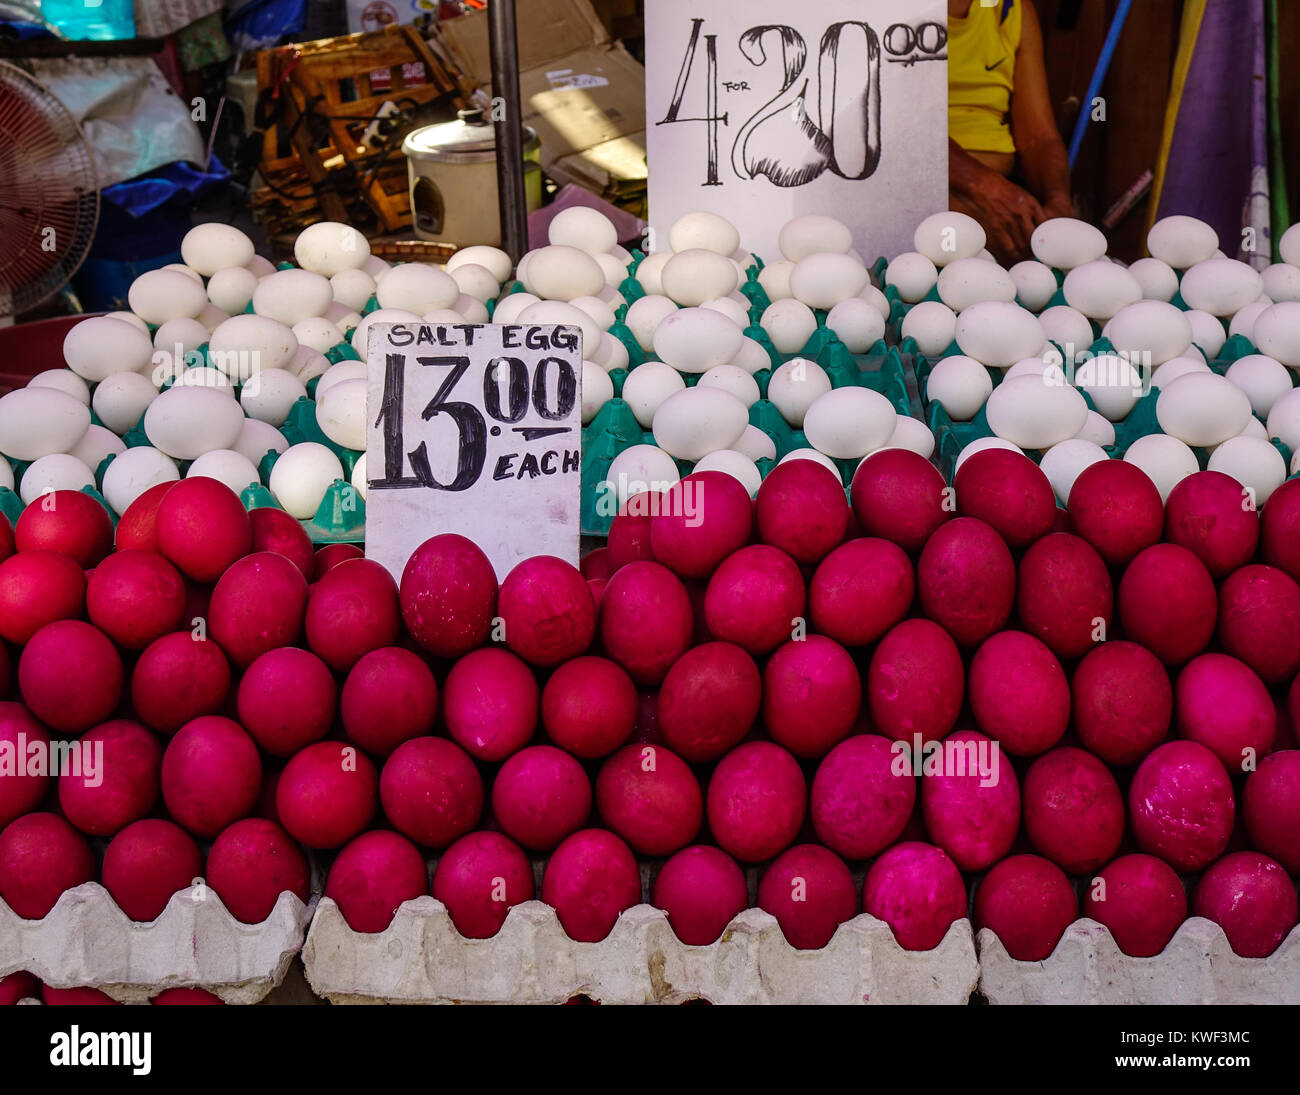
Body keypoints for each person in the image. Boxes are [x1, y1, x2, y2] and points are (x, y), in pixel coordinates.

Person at [947, 0, 1074, 263]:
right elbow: (892, 126)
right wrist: (981, 185)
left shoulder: (1009, 9)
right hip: (919, 190)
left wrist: (1058, 199)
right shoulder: (886, 9)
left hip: (996, 196)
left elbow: (1039, 137)